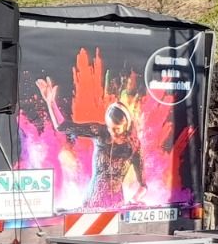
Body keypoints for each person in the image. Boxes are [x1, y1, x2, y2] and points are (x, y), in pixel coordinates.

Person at [36, 77, 144, 208]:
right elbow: (62, 126)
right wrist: (50, 102)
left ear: (126, 125)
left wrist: (135, 199)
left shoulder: (133, 146)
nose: (112, 132)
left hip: (115, 205)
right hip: (91, 202)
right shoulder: (99, 132)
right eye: (109, 127)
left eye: (117, 129)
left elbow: (143, 185)